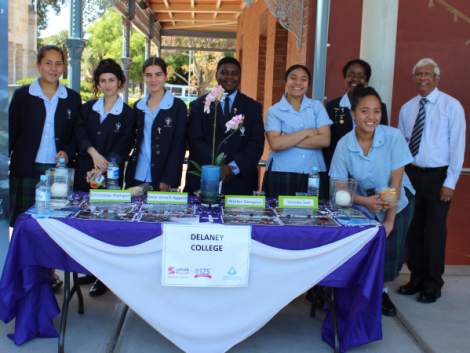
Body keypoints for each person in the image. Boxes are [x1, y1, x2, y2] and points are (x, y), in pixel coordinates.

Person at [329, 84, 416, 316]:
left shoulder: (393, 137)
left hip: (398, 203)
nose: (371, 116)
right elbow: (339, 190)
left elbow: (395, 183)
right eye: (365, 110)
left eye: (376, 111)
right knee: (365, 248)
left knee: (389, 250)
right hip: (363, 203)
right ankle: (361, 289)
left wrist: (388, 220)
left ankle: (382, 294)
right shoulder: (343, 145)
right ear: (354, 114)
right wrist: (363, 202)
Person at [9, 45, 82, 291]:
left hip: (57, 173)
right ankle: (24, 273)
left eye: (58, 63)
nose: (53, 68)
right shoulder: (22, 95)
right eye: (48, 63)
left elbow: (75, 136)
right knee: (26, 225)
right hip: (26, 168)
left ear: (63, 66)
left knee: (51, 225)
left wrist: (68, 152)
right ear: (38, 65)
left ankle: (49, 274)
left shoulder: (72, 97)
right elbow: (11, 132)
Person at [397, 59, 466, 303]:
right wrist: (402, 177)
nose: (422, 77)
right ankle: (416, 278)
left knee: (434, 232)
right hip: (412, 176)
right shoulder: (407, 108)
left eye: (427, 73)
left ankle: (433, 284)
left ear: (437, 78)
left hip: (439, 177)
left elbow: (458, 147)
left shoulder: (451, 106)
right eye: (418, 74)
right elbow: (401, 147)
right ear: (414, 77)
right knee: (412, 230)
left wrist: (451, 182)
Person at [74, 58, 136, 297]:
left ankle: (103, 277)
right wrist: (93, 154)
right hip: (85, 171)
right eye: (103, 80)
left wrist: (104, 166)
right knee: (85, 222)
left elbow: (124, 145)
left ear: (120, 82)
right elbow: (79, 132)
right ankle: (88, 269)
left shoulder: (128, 114)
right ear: (97, 83)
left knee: (105, 224)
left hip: (109, 177)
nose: (108, 85)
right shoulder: (87, 108)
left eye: (112, 80)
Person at [184, 56, 265, 196]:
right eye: (224, 72)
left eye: (234, 73)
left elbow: (256, 143)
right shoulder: (198, 106)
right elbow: (195, 140)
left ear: (240, 76)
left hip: (239, 183)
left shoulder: (253, 108)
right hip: (204, 182)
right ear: (216, 75)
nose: (229, 77)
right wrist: (217, 170)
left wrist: (232, 168)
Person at [263, 64, 332, 199]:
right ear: (286, 81)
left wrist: (287, 139)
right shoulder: (275, 110)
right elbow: (275, 144)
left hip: (314, 173)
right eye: (293, 78)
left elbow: (325, 140)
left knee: (315, 217)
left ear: (308, 84)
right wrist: (306, 132)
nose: (298, 83)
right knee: (278, 215)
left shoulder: (317, 107)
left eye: (303, 79)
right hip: (281, 172)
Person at [125, 57, 187, 191]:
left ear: (165, 76)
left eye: (158, 74)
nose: (153, 80)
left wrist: (169, 177)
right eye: (148, 75)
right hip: (137, 174)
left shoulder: (178, 107)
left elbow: (179, 144)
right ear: (143, 77)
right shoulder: (138, 106)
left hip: (162, 178)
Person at [323, 59, 389, 172]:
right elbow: (330, 143)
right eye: (351, 75)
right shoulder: (333, 106)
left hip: (370, 167)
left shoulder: (380, 107)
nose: (355, 79)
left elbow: (381, 138)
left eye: (361, 76)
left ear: (366, 80)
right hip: (340, 167)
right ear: (345, 77)